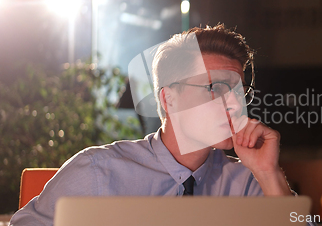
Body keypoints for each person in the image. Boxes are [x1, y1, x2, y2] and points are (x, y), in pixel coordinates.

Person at [9, 24, 298, 225]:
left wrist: (267, 172)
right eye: (217, 87)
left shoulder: (247, 182)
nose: (235, 104)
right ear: (169, 99)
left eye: (238, 91)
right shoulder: (99, 172)